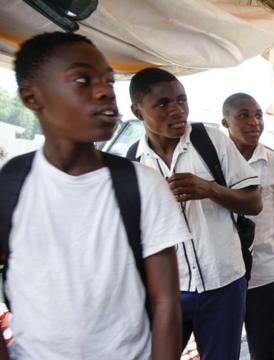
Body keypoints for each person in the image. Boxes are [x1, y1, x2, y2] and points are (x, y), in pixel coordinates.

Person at [1, 32, 189, 359]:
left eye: (108, 81)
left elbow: (166, 303)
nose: (104, 91)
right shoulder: (11, 186)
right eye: (82, 80)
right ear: (32, 98)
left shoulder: (142, 186)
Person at [129, 68, 262, 359]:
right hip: (167, 292)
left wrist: (210, 189)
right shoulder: (134, 163)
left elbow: (254, 203)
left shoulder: (210, 140)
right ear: (138, 112)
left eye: (181, 100)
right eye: (163, 104)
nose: (177, 109)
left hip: (223, 284)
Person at [222, 92, 274, 360]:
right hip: (221, 277)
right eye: (243, 115)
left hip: (264, 276)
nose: (254, 122)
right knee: (222, 350)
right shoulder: (212, 163)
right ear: (225, 122)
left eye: (258, 115)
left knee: (264, 350)